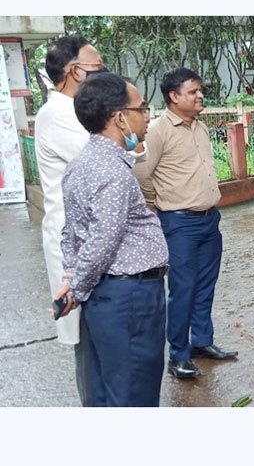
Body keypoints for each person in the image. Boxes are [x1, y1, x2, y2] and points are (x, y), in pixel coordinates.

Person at [34, 36, 148, 404]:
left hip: (90, 237)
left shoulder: (76, 114)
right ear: (73, 71)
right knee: (91, 342)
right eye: (98, 69)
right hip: (84, 239)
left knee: (104, 338)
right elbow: (113, 153)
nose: (104, 74)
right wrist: (77, 282)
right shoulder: (57, 115)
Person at [54, 73, 168, 406]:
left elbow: (71, 230)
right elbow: (103, 238)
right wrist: (76, 288)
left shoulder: (81, 164)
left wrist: (71, 277)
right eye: (141, 108)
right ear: (120, 118)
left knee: (106, 391)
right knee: (134, 394)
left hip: (105, 297)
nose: (146, 117)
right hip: (129, 298)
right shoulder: (113, 171)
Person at [134, 67, 237, 380]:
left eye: (199, 90)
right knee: (183, 289)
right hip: (179, 223)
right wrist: (156, 207)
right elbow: (142, 173)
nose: (200, 95)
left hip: (209, 220)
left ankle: (201, 342)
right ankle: (178, 355)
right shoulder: (158, 130)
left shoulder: (198, 127)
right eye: (192, 91)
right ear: (173, 96)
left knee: (206, 285)